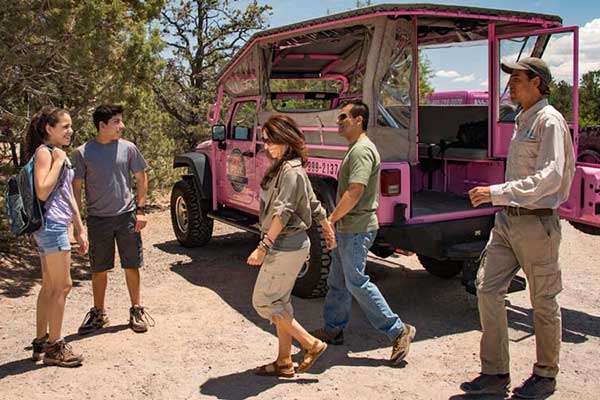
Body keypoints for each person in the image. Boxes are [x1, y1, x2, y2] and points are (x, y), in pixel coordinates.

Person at [462, 57, 575, 399]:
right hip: (508, 221)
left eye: (517, 79)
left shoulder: (549, 121)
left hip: (536, 223)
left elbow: (549, 178)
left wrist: (496, 192)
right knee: (487, 288)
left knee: (543, 301)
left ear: (537, 82)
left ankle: (545, 374)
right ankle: (495, 372)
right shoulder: (522, 119)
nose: (510, 85)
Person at [311, 100, 416, 365]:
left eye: (343, 116)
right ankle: (333, 328)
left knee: (356, 281)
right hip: (350, 228)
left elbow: (355, 191)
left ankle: (398, 330)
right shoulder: (355, 148)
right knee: (337, 279)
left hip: (356, 229)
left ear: (359, 120)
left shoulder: (361, 151)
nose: (338, 121)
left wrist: (331, 218)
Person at [248, 115, 336, 377]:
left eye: (270, 140)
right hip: (293, 244)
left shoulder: (290, 171)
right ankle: (284, 362)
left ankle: (311, 344)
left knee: (263, 302)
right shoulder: (289, 167)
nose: (266, 146)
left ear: (285, 140)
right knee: (280, 302)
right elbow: (313, 203)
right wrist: (328, 230)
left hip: (285, 246)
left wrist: (263, 246)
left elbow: (283, 212)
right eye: (263, 141)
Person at [72, 104, 153, 334]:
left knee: (132, 264)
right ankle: (99, 313)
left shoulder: (128, 149)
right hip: (98, 219)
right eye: (116, 121)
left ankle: (136, 309)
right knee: (99, 268)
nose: (122, 126)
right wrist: (78, 225)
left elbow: (141, 177)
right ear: (102, 125)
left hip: (127, 216)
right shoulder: (82, 153)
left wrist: (141, 209)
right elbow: (76, 188)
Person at [26, 106, 88, 367]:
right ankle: (55, 346)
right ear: (48, 129)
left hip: (56, 225)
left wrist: (79, 225)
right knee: (63, 286)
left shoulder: (54, 154)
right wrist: (60, 160)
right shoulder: (45, 153)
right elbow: (42, 190)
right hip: (51, 226)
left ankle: (41, 340)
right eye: (64, 127)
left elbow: (66, 194)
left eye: (70, 126)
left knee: (51, 286)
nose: (70, 131)